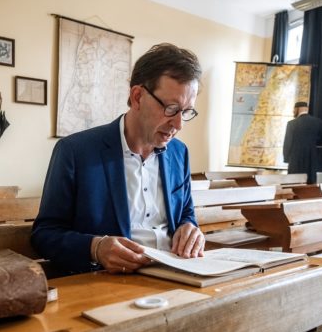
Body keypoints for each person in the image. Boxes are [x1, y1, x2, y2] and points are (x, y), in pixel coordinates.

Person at [32, 43, 205, 274]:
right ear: (137, 97)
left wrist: (189, 228)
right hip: (108, 282)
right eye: (171, 108)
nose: (179, 125)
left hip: (176, 274)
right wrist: (96, 248)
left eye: (186, 112)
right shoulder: (74, 151)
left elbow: (186, 213)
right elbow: (44, 234)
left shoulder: (178, 153)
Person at [282, 101, 322, 183]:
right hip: (311, 157)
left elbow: (287, 143)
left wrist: (286, 158)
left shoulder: (292, 124)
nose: (293, 111)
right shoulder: (318, 122)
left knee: (294, 182)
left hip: (295, 159)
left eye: (293, 109)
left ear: (297, 109)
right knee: (309, 182)